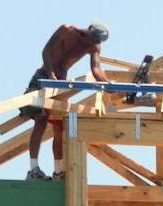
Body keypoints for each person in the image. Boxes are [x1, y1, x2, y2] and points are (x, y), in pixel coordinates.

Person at [22, 23, 110, 180]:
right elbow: (46, 51)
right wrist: (50, 73)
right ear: (88, 32)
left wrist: (107, 85)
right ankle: (33, 169)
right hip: (43, 77)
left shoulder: (93, 47)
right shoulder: (66, 31)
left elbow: (96, 69)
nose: (92, 42)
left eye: (96, 41)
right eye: (92, 38)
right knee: (41, 118)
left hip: (60, 84)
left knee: (60, 126)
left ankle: (58, 172)